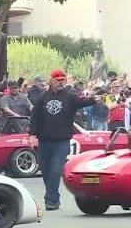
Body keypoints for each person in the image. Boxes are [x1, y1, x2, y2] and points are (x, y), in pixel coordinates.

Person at [30, 69, 97, 210]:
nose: (60, 82)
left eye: (62, 80)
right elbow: (35, 116)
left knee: (55, 170)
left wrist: (93, 100)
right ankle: (53, 195)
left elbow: (81, 102)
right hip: (44, 140)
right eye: (58, 80)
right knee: (46, 171)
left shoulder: (69, 97)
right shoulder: (42, 97)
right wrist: (31, 135)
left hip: (62, 141)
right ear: (51, 81)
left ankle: (50, 200)